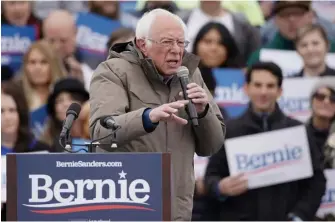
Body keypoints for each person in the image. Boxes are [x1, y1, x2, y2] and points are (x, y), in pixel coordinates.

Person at [89, 9, 226, 220]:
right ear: (143, 44)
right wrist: (147, 117)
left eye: (181, 43)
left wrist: (204, 111)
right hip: (129, 207)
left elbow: (211, 146)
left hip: (177, 210)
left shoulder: (190, 73)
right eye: (167, 42)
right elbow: (101, 132)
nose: (176, 51)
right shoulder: (113, 71)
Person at [204, 62, 326, 221]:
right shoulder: (229, 130)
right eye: (258, 85)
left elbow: (317, 181)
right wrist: (220, 187)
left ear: (279, 91)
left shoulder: (298, 131)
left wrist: (300, 215)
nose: (263, 92)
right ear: (246, 89)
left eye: (270, 86)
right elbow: (211, 176)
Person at [248, 0, 335, 66]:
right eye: (285, 14)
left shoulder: (332, 49)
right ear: (275, 20)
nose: (291, 20)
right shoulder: (262, 57)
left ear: (311, 16)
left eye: (298, 14)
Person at [41, 78, 90, 152]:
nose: (65, 104)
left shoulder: (99, 136)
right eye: (59, 101)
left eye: (73, 98)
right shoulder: (46, 144)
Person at [307, 77, 335, 150]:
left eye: (333, 98)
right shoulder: (299, 133)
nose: (326, 102)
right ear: (312, 100)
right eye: (320, 97)